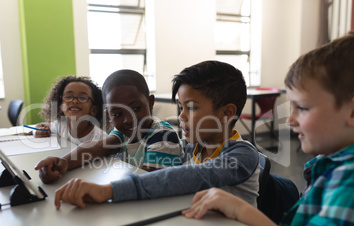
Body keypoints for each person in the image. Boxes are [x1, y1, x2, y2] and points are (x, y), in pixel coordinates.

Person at [182, 33, 354, 226]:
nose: (289, 119)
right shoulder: (328, 167)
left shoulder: (348, 180)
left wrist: (240, 210)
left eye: (302, 107)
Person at [52, 60, 260, 210]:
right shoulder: (191, 149)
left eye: (192, 108)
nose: (181, 117)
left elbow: (189, 178)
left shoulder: (241, 155)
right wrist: (63, 162)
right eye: (180, 107)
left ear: (226, 113)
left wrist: (108, 191)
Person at [35, 69, 183, 180]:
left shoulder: (162, 136)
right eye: (118, 114)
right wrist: (63, 163)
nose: (128, 120)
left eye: (136, 108)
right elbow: (96, 147)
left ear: (150, 102)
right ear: (109, 116)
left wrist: (100, 190)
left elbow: (149, 180)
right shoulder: (122, 134)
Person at [34, 75, 107, 145]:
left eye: (83, 98)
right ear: (60, 107)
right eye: (68, 97)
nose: (74, 101)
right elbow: (42, 125)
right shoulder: (60, 126)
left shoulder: (101, 138)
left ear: (93, 110)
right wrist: (41, 130)